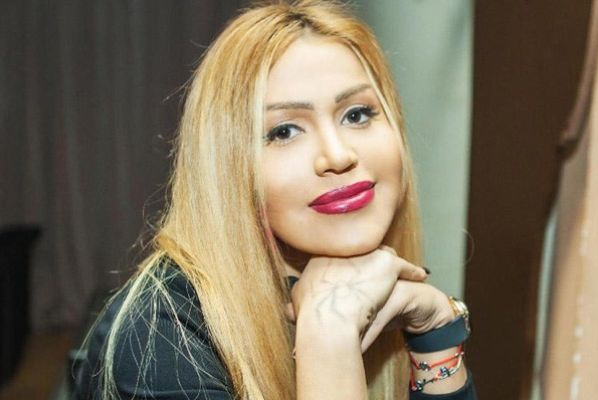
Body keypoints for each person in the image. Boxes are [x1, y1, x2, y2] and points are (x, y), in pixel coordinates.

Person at [73, 1, 477, 399]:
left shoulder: (376, 289)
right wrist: (329, 333)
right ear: (229, 166)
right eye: (284, 131)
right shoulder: (160, 336)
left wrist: (436, 332)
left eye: (356, 114)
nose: (338, 155)